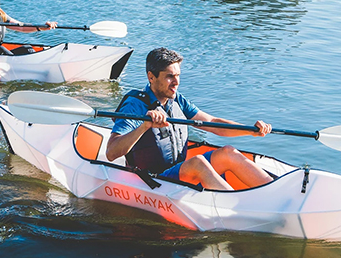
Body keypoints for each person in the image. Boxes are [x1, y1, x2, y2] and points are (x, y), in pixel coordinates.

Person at [105, 47, 273, 191]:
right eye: (170, 76)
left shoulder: (177, 100)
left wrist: (251, 131)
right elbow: (111, 153)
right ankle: (239, 207)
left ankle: (275, 192)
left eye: (178, 75)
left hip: (178, 172)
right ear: (151, 77)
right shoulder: (135, 105)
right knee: (198, 162)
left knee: (228, 152)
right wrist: (144, 126)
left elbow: (212, 123)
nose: (176, 82)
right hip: (154, 180)